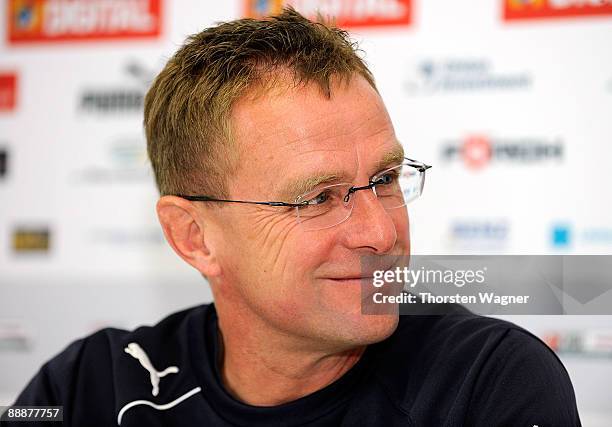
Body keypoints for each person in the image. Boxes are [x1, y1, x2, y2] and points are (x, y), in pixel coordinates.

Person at [9, 8, 580, 426]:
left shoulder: (487, 383)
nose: (381, 234)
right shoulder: (91, 385)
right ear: (194, 237)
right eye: (317, 198)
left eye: (384, 181)